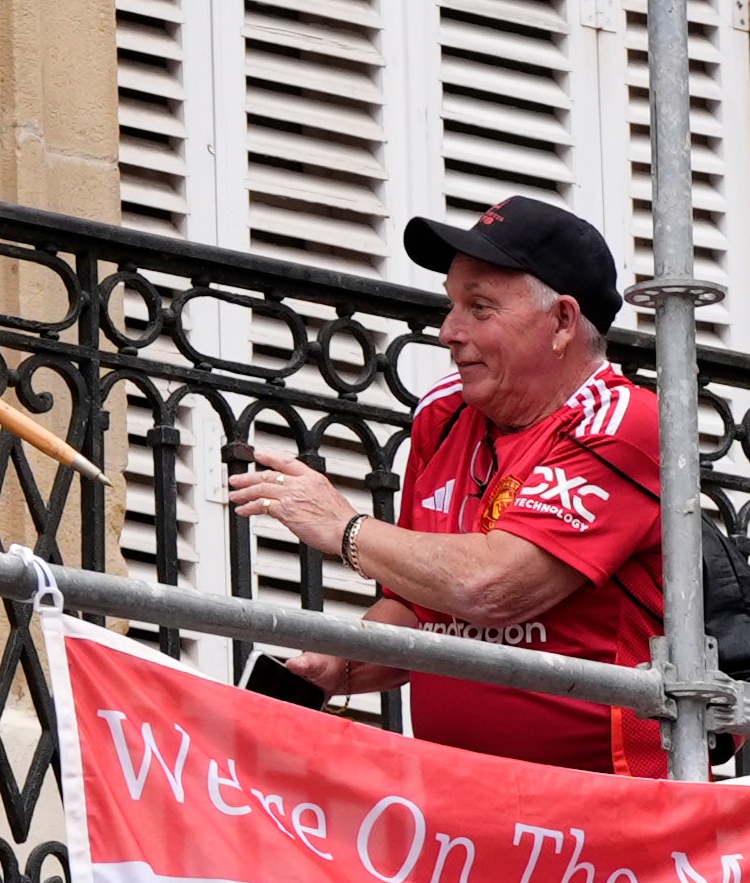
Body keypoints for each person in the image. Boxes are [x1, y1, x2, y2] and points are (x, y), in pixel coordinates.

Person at [222, 193, 678, 773]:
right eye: (451, 306)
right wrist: (342, 666)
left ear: (562, 321)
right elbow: (425, 612)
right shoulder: (444, 414)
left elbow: (493, 588)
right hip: (458, 806)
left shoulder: (624, 421)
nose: (447, 332)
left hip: (605, 814)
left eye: (479, 308)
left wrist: (345, 529)